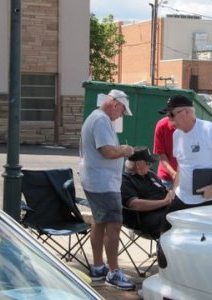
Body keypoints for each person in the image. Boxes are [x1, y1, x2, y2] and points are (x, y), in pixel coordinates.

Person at [79, 89, 136, 291]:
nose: (121, 115)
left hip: (96, 180)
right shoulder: (102, 120)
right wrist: (126, 151)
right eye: (122, 111)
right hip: (103, 183)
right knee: (114, 225)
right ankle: (113, 272)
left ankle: (98, 267)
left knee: (99, 222)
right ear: (115, 104)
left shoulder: (97, 118)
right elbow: (108, 151)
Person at [158, 95, 212, 232]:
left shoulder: (209, 130)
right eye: (167, 115)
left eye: (171, 115)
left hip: (208, 200)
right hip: (182, 197)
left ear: (187, 112)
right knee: (165, 234)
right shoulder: (177, 134)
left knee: (208, 243)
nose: (169, 120)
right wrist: (173, 190)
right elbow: (182, 165)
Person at [121, 146, 174, 238]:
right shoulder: (125, 180)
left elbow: (164, 190)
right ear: (138, 164)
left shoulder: (150, 174)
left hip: (166, 210)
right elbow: (135, 205)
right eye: (148, 163)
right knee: (178, 222)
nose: (150, 166)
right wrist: (164, 202)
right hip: (147, 218)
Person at [153, 116, 177, 190]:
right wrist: (173, 173)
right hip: (166, 178)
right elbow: (161, 154)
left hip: (186, 177)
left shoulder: (191, 127)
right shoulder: (161, 125)